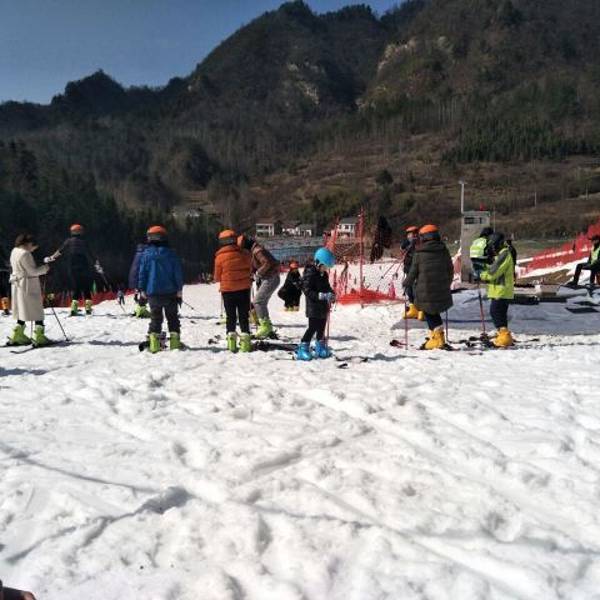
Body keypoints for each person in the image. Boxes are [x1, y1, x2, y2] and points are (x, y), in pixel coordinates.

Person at [403, 224, 454, 350]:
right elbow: (450, 268)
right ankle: (435, 335)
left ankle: (438, 339)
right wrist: (447, 282)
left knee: (430, 313)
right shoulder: (443, 250)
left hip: (425, 289)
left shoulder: (420, 252)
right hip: (441, 287)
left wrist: (406, 283)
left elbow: (413, 272)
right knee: (434, 312)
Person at [137, 225, 184, 353]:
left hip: (152, 292)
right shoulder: (171, 254)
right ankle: (175, 344)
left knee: (156, 319)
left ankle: (154, 345)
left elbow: (142, 274)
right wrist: (179, 289)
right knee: (172, 318)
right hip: (170, 293)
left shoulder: (146, 254)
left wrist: (142, 289)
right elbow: (177, 273)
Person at [7, 233, 56, 347]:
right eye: (33, 246)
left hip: (17, 283)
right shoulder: (25, 254)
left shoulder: (14, 251)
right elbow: (32, 271)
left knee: (22, 310)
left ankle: (17, 334)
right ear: (28, 243)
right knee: (36, 310)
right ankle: (39, 336)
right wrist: (45, 268)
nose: (33, 249)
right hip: (27, 285)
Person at [214, 229, 253, 353]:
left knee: (230, 316)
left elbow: (217, 277)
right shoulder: (245, 254)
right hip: (243, 289)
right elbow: (250, 268)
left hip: (228, 290)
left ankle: (231, 340)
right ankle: (245, 340)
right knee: (243, 315)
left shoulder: (219, 257)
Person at [52, 224, 102, 316]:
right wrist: (97, 265)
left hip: (72, 266)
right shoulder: (84, 242)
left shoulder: (68, 241)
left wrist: (52, 257)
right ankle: (88, 308)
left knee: (76, 287)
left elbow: (60, 251)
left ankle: (74, 309)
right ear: (80, 232)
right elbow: (91, 254)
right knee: (86, 287)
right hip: (84, 266)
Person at [296, 247, 336, 361]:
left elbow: (327, 287)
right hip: (313, 306)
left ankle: (320, 346)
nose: (326, 269)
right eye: (325, 266)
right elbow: (307, 290)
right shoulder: (310, 273)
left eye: (327, 267)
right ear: (318, 263)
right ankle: (303, 348)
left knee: (321, 327)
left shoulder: (324, 274)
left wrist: (331, 294)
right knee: (312, 327)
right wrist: (321, 295)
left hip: (323, 306)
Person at [477, 232, 515, 347]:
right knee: (501, 314)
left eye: (493, 246)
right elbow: (493, 268)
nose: (492, 249)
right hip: (499, 289)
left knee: (495, 312)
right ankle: (503, 335)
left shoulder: (504, 254)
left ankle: (504, 337)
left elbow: (493, 272)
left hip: (501, 290)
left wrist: (481, 275)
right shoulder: (501, 254)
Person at [238, 235, 280, 339]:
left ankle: (265, 326)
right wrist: (252, 274)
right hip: (270, 278)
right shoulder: (254, 251)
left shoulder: (257, 251)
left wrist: (258, 273)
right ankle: (267, 326)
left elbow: (267, 263)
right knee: (262, 302)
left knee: (258, 301)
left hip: (270, 278)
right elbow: (256, 265)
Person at [401, 225, 423, 320]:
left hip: (416, 272)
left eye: (412, 234)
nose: (410, 236)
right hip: (408, 271)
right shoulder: (408, 243)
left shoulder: (420, 243)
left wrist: (414, 244)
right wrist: (408, 244)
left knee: (416, 290)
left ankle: (421, 310)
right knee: (408, 289)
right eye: (409, 234)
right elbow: (402, 248)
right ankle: (413, 309)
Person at [128, 241, 151, 318]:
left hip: (135, 277)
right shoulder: (146, 254)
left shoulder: (139, 252)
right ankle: (140, 311)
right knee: (146, 294)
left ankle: (140, 310)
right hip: (139, 277)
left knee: (144, 294)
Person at [0, 242, 10, 315]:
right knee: (3, 290)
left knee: (3, 290)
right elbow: (6, 256)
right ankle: (5, 308)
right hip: (3, 270)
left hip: (3, 269)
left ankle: (6, 308)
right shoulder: (1, 245)